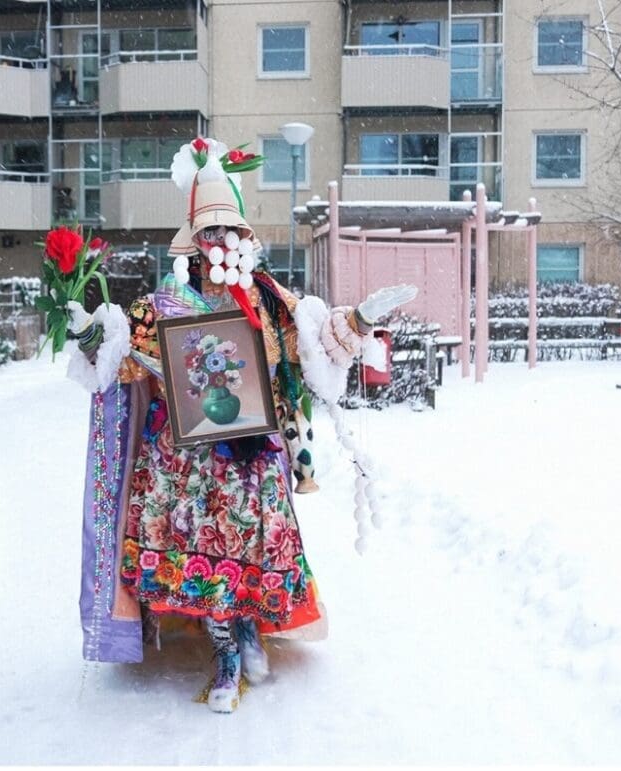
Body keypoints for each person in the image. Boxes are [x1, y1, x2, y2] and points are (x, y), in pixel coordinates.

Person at [66, 137, 416, 713]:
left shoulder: (273, 300)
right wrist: (88, 337)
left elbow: (317, 347)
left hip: (253, 450)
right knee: (194, 539)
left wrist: (359, 319)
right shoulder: (164, 303)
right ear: (194, 242)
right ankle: (226, 647)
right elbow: (120, 360)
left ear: (244, 237)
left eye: (227, 229)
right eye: (208, 231)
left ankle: (248, 629)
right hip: (181, 456)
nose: (218, 241)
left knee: (255, 536)